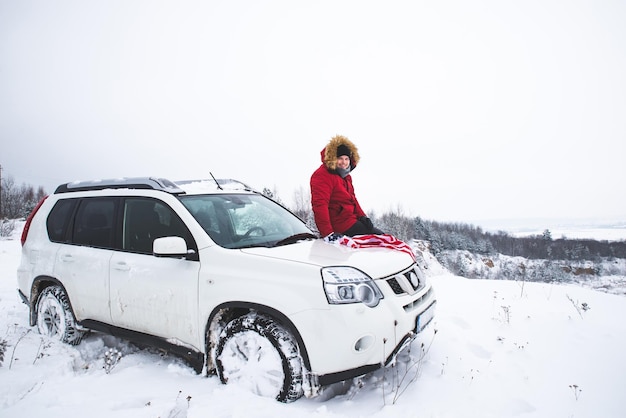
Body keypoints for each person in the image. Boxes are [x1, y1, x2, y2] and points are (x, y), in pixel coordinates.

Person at [310, 135, 383, 239]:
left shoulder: (346, 177)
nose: (344, 162)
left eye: (346, 159)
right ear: (333, 159)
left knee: (382, 238)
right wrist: (328, 233)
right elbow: (320, 205)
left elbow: (353, 200)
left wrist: (363, 217)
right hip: (339, 225)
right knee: (379, 239)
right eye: (340, 158)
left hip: (351, 221)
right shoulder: (322, 175)